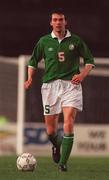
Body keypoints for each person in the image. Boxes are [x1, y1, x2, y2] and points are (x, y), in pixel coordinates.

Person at [24, 9, 95, 172]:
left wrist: (82, 75)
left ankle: (63, 163)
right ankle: (56, 145)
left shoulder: (75, 40)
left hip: (71, 85)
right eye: (55, 20)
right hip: (50, 87)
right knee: (50, 131)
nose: (58, 22)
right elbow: (33, 61)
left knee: (69, 121)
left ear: (65, 22)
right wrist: (29, 78)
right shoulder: (44, 41)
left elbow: (90, 61)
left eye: (61, 19)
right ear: (51, 23)